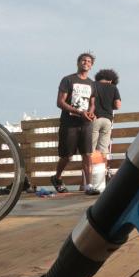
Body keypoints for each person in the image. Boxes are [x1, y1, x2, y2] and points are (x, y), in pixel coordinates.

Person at [52, 52, 96, 193]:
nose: (86, 63)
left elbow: (93, 103)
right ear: (78, 63)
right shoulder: (68, 80)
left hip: (86, 123)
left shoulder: (91, 84)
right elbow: (60, 102)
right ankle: (57, 177)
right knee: (67, 155)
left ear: (91, 66)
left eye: (89, 61)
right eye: (83, 60)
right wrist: (78, 112)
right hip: (69, 122)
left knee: (87, 154)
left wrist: (90, 112)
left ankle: (89, 185)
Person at [88, 69, 121, 194]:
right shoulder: (113, 88)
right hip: (107, 120)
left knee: (90, 151)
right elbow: (118, 105)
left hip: (94, 119)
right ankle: (101, 182)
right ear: (112, 79)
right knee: (102, 151)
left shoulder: (92, 85)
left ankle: (88, 183)